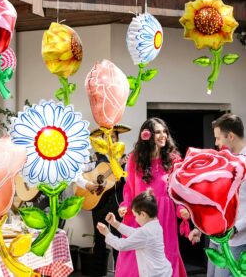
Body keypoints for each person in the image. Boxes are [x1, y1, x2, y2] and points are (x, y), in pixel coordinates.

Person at [116, 118, 188, 277]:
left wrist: (181, 209)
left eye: (165, 131)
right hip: (141, 215)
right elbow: (129, 188)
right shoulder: (135, 158)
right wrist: (125, 205)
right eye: (158, 132)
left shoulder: (174, 159)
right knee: (135, 257)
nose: (163, 135)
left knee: (165, 255)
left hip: (165, 216)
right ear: (147, 135)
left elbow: (179, 190)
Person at [189, 113, 246, 277]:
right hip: (215, 239)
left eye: (218, 138)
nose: (216, 143)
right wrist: (199, 228)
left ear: (231, 136)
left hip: (236, 242)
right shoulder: (224, 162)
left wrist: (236, 228)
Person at [77, 124, 131, 276]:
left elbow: (130, 183)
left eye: (113, 137)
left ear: (117, 139)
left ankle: (120, 272)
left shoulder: (124, 158)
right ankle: (98, 273)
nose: (110, 140)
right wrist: (89, 184)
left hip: (117, 203)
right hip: (97, 203)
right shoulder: (94, 158)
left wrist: (120, 173)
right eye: (106, 137)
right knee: (99, 239)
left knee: (118, 239)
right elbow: (77, 173)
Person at [97, 188, 172, 277]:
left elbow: (121, 245)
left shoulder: (145, 232)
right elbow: (134, 232)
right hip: (164, 272)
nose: (135, 219)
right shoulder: (155, 226)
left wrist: (106, 233)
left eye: (135, 215)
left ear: (143, 214)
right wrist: (114, 223)